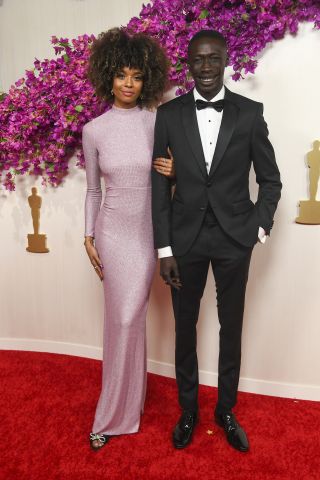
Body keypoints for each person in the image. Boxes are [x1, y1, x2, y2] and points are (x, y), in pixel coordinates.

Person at [152, 30, 282, 452]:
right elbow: (159, 186)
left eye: (213, 59)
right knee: (184, 328)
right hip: (184, 241)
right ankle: (187, 410)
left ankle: (226, 410)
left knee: (232, 328)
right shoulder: (168, 114)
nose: (205, 68)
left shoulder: (248, 113)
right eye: (197, 60)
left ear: (226, 60)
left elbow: (270, 180)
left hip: (233, 240)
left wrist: (258, 227)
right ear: (187, 64)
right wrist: (164, 248)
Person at [83, 28, 173, 451]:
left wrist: (172, 177)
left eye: (137, 76)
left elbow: (168, 182)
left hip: (146, 233)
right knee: (120, 320)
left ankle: (125, 405)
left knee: (129, 318)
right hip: (112, 232)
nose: (129, 84)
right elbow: (92, 191)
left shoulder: (158, 123)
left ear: (147, 79)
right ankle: (115, 412)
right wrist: (87, 234)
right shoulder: (94, 130)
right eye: (121, 75)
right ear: (108, 77)